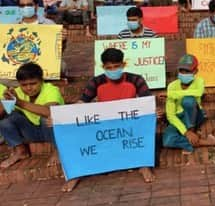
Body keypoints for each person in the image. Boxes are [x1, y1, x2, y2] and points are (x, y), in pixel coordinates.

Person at [62, 48, 155, 192]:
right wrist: (60, 118)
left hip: (130, 125)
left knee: (145, 125)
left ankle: (144, 165)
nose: (113, 70)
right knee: (78, 132)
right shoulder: (96, 82)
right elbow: (81, 104)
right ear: (103, 67)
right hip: (105, 128)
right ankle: (77, 173)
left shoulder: (136, 79)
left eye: (116, 66)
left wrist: (155, 112)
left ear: (123, 64)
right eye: (109, 67)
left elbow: (147, 103)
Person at [0, 62, 64, 169]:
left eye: (33, 83)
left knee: (47, 117)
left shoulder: (51, 90)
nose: (29, 88)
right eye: (24, 85)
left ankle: (58, 151)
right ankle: (20, 151)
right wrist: (5, 102)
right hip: (31, 131)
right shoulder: (17, 92)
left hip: (53, 131)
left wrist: (19, 102)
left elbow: (49, 111)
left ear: (41, 81)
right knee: (5, 119)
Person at [162, 54, 215, 152]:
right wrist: (186, 132)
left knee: (188, 100)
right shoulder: (172, 86)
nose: (183, 73)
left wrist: (172, 94)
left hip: (195, 116)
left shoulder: (199, 82)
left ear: (195, 71)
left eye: (187, 71)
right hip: (179, 118)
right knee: (167, 140)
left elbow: (198, 92)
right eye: (181, 70)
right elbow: (171, 115)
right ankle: (205, 142)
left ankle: (192, 130)